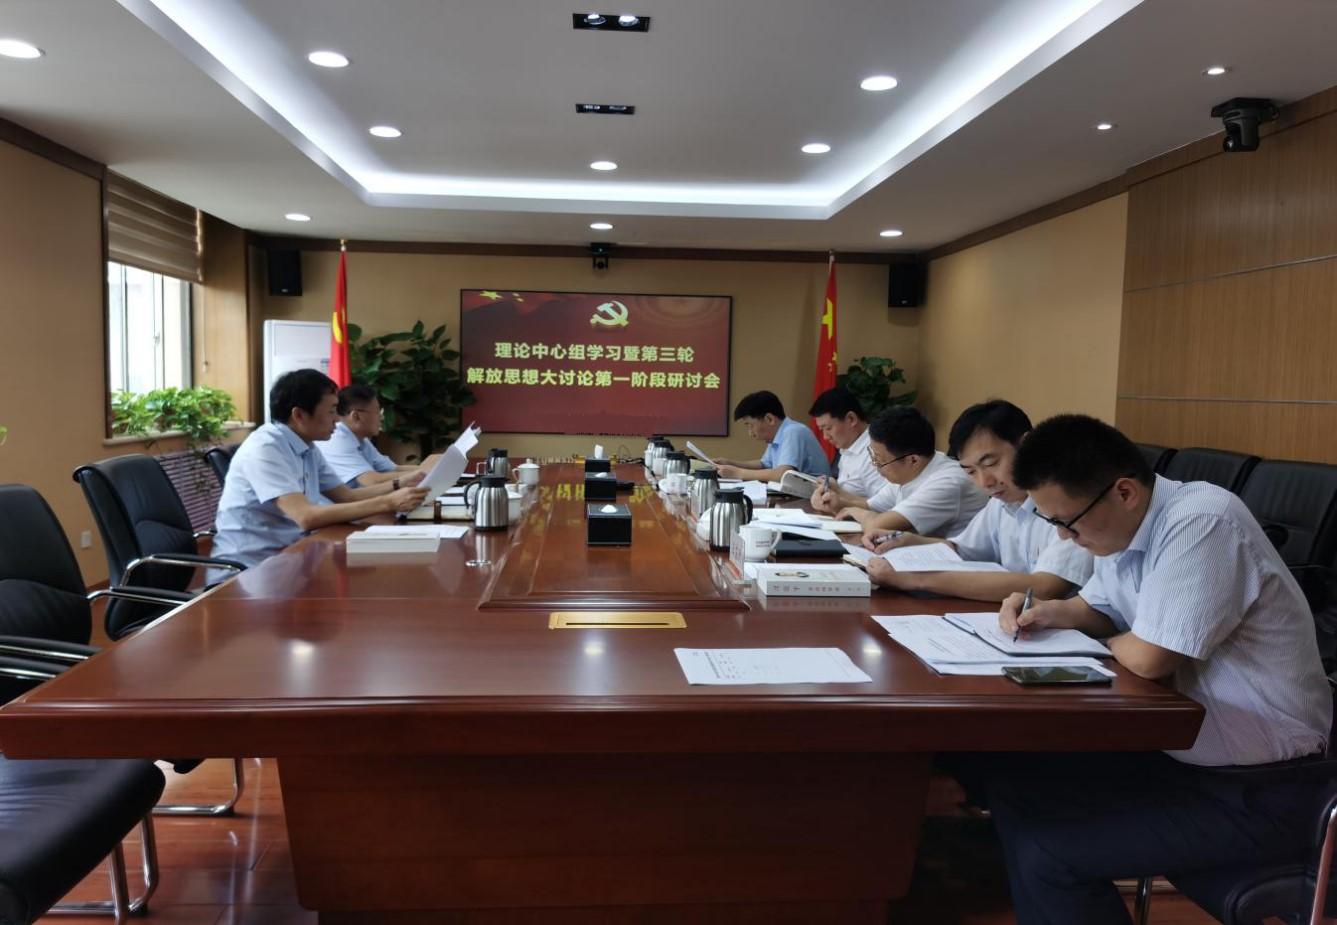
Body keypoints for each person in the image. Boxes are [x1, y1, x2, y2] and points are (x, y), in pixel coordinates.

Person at [985, 414, 1331, 925]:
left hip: (1267, 791)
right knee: (1014, 781)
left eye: (1069, 523)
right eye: (1052, 522)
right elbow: (1097, 608)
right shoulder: (1120, 528)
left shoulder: (1203, 522)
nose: (1065, 537)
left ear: (1123, 491)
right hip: (1184, 761)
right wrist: (1044, 611)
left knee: (1049, 854)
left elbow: (1151, 659)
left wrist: (1103, 638)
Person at [864, 400, 1092, 602]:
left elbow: (1046, 588)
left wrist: (917, 579)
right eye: (971, 471)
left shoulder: (1068, 501)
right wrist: (909, 541)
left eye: (991, 463)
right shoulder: (1001, 502)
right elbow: (963, 550)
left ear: (1027, 446)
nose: (985, 482)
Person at [211, 369, 431, 571]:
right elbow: (305, 516)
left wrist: (400, 486)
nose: (337, 419)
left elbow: (347, 496)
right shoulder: (265, 449)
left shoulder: (307, 446)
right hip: (249, 571)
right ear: (299, 415)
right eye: (332, 411)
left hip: (293, 557)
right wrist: (388, 502)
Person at [824, 406, 986, 539]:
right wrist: (837, 503)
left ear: (912, 460)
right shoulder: (911, 469)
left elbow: (877, 525)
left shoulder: (947, 482)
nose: (876, 466)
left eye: (880, 460)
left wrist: (857, 512)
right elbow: (871, 506)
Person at [315, 384, 440, 487]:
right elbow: (371, 481)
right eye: (377, 411)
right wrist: (424, 471)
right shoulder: (336, 439)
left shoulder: (361, 439)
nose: (382, 417)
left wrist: (434, 467)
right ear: (356, 416)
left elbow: (392, 469)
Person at [712, 390, 831, 481]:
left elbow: (783, 474)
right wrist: (730, 463)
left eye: (750, 425)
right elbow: (764, 465)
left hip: (814, 498)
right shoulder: (778, 434)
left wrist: (737, 473)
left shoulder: (793, 432)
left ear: (769, 419)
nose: (750, 432)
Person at [807, 387, 887, 505]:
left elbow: (885, 507)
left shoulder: (875, 451)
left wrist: (838, 493)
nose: (825, 437)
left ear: (851, 419)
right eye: (822, 430)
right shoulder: (849, 445)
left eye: (828, 428)